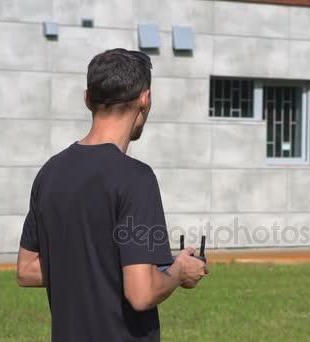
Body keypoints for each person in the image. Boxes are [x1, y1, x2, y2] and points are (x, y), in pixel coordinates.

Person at [16, 48, 208, 342]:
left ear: (87, 99)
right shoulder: (136, 179)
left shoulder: (50, 172)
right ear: (145, 99)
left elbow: (28, 269)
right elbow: (141, 293)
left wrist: (114, 265)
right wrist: (179, 271)